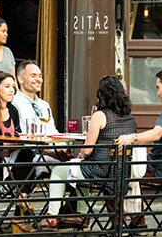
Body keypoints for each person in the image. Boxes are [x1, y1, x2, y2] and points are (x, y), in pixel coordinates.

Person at [41, 75, 138, 230]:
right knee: (80, 172)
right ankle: (81, 216)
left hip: (100, 172)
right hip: (120, 174)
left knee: (59, 171)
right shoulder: (130, 118)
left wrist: (79, 156)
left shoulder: (100, 115)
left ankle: (52, 216)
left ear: (101, 94)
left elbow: (87, 150)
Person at [0, 70, 36, 232]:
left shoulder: (13, 110)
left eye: (13, 87)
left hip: (12, 158)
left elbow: (17, 135)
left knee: (28, 155)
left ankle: (20, 204)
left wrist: (14, 146)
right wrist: (2, 151)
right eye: (7, 86)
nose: (12, 91)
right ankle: (21, 208)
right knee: (27, 162)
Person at [11, 60, 59, 136]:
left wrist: (63, 146)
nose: (38, 80)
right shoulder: (13, 103)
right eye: (33, 76)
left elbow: (53, 132)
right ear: (21, 79)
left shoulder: (44, 105)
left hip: (48, 146)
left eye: (40, 76)